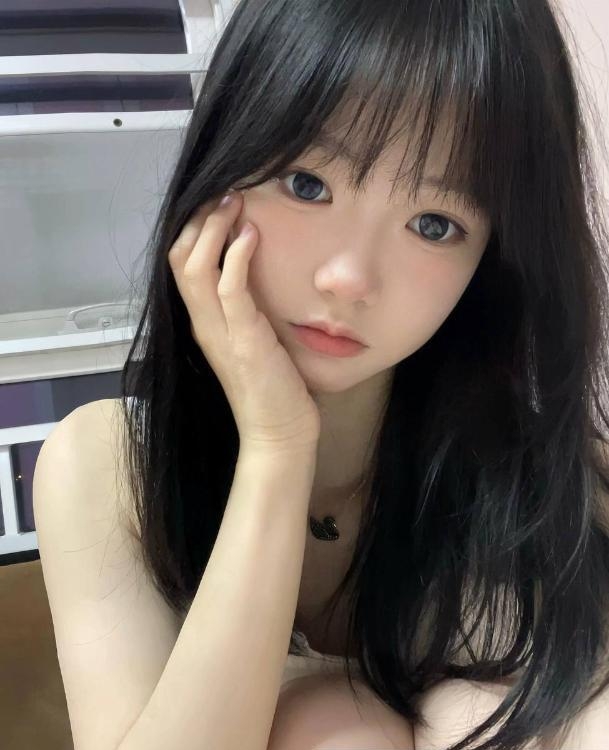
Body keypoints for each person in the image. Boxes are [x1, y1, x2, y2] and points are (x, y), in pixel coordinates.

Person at [33, 1, 609, 748]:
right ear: (219, 164)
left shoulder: (550, 479)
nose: (348, 278)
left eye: (435, 225)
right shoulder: (107, 469)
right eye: (306, 184)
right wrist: (276, 446)